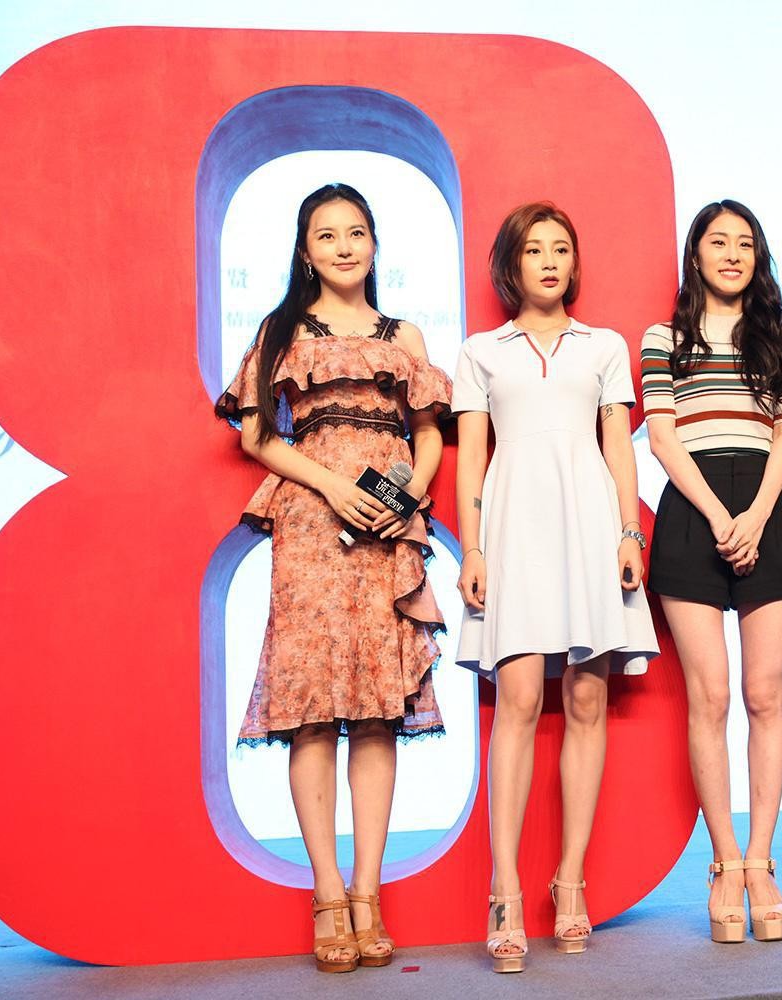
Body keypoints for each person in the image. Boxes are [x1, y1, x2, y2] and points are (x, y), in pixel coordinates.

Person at [214, 183, 452, 971]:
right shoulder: (282, 329)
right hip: (314, 527)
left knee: (378, 712)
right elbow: (256, 439)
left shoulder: (403, 334)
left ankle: (367, 894)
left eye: (357, 232)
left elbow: (427, 433)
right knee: (315, 710)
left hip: (386, 528)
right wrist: (332, 487)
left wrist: (408, 496)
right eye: (327, 235)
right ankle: (326, 896)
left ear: (374, 244)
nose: (345, 247)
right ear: (305, 251)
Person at [451, 201, 658, 973]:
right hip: (513, 530)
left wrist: (629, 532)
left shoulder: (604, 347)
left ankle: (570, 883)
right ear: (512, 264)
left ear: (574, 262)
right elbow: (471, 459)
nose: (548, 260)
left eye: (560, 248)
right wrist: (473, 549)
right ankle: (504, 890)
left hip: (589, 525)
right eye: (534, 249)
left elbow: (619, 447)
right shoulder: (481, 352)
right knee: (516, 701)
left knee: (586, 699)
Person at [641, 200, 782, 944]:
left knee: (764, 692)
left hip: (767, 510)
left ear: (758, 257)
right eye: (718, 241)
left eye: (744, 243)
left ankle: (760, 861)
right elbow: (661, 437)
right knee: (710, 695)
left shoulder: (781, 337)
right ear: (696, 254)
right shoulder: (664, 338)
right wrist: (721, 518)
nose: (731, 254)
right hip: (695, 510)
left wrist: (756, 515)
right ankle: (722, 864)